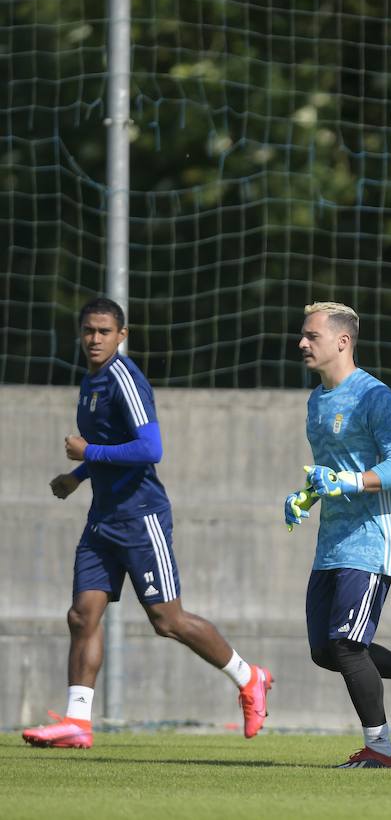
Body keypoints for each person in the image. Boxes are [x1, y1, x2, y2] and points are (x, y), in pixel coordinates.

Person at [23, 297, 271, 749]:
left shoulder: (125, 379)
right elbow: (106, 446)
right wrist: (78, 477)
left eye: (104, 331)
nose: (95, 339)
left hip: (141, 518)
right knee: (82, 615)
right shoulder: (90, 381)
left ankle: (249, 676)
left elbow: (149, 448)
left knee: (167, 620)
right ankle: (78, 722)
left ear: (122, 335)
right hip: (103, 518)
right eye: (88, 331)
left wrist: (88, 456)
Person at [289, 301, 391, 769]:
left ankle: (381, 749)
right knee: (327, 651)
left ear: (342, 341)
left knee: (346, 644)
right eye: (302, 335)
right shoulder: (316, 400)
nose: (301, 343)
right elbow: (331, 472)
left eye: (311, 336)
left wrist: (350, 481)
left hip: (370, 540)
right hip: (331, 543)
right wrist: (306, 495)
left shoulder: (374, 396)